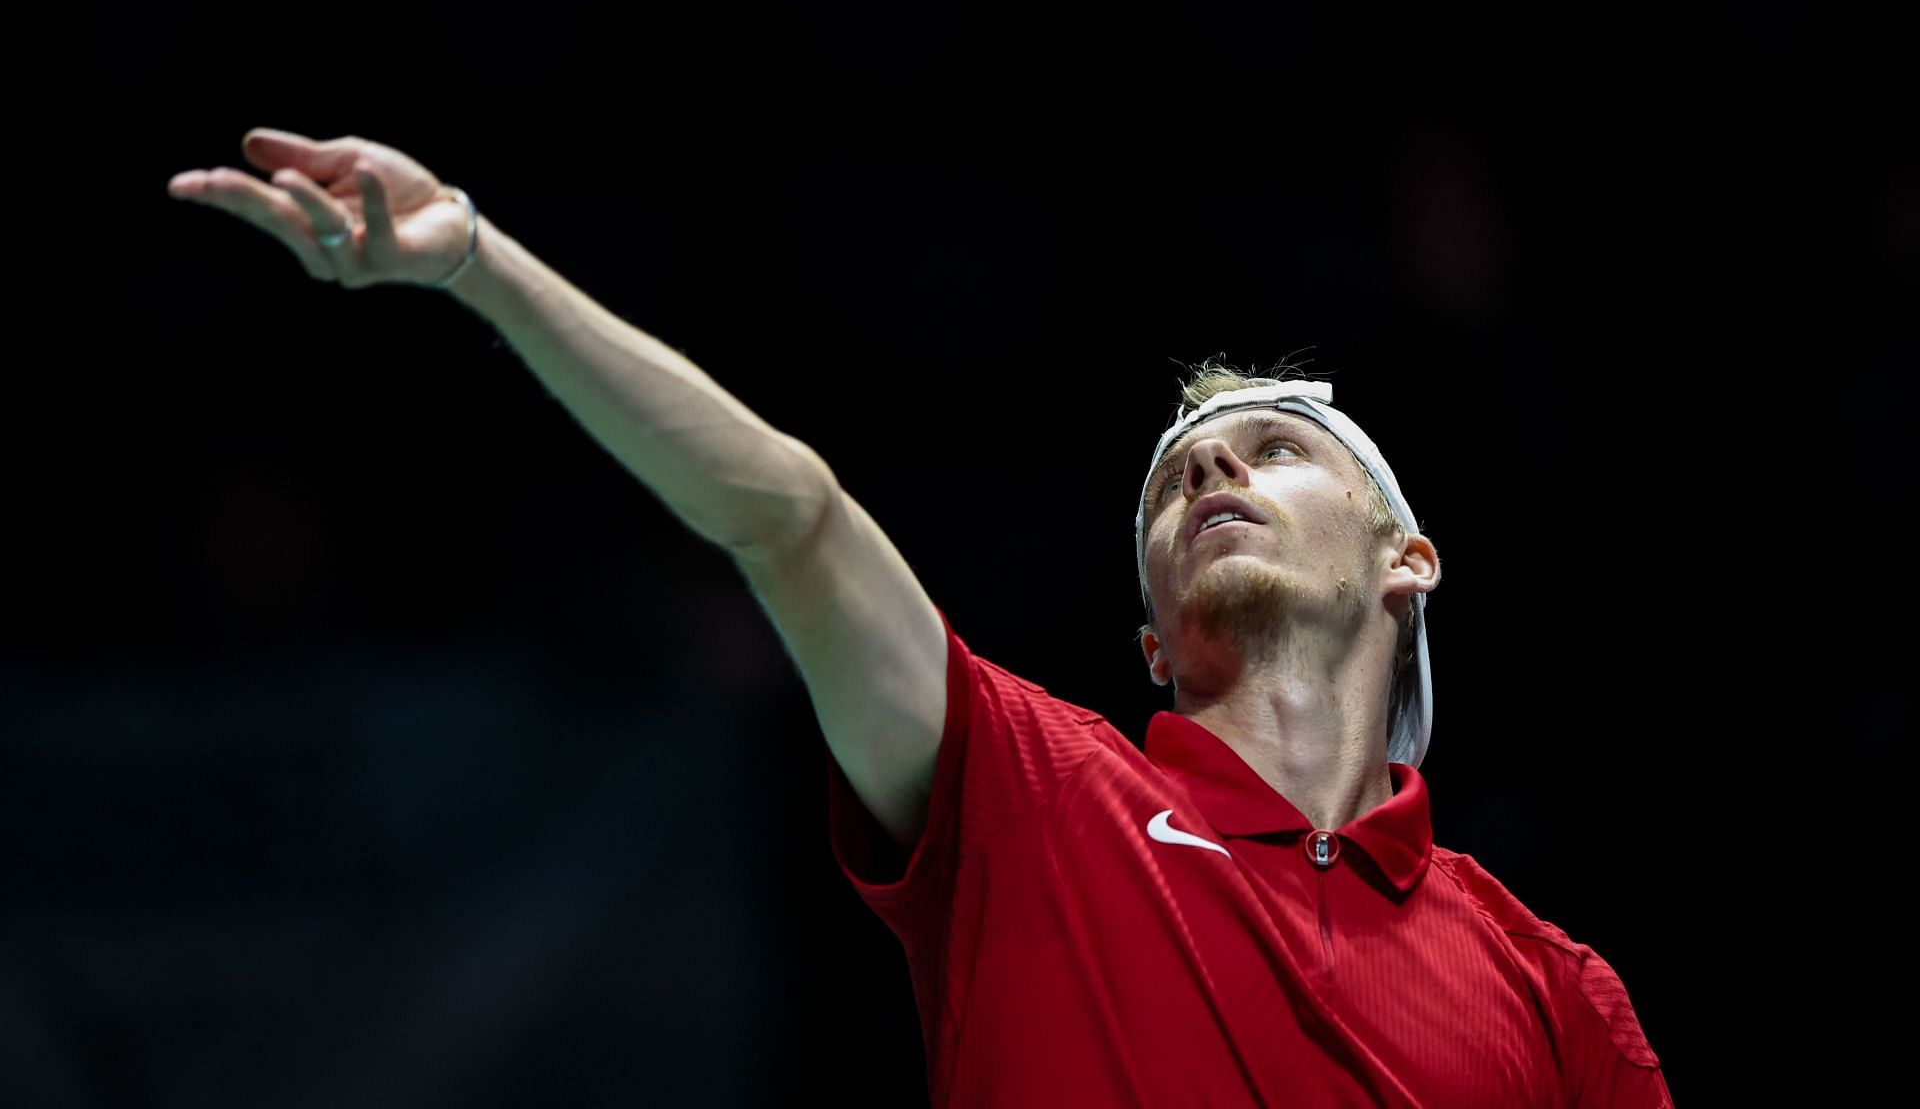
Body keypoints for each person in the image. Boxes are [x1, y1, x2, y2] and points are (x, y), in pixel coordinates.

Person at [169, 129, 1673, 1107]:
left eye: (1278, 450)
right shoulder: (1033, 800)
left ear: (1408, 560)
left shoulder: (1554, 991)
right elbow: (790, 517)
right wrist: (477, 264)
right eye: (1176, 481)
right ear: (1155, 642)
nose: (1214, 464)